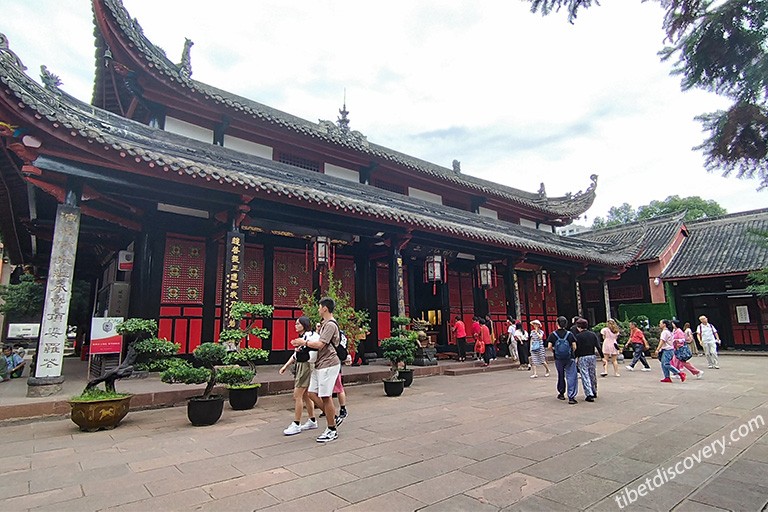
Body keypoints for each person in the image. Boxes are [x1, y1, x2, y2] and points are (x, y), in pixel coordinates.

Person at [290, 297, 341, 443]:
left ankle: (332, 429)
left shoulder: (331, 324)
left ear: (325, 308)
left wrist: (304, 342)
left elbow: (320, 345)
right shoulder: (324, 324)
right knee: (312, 393)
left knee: (325, 397)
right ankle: (333, 417)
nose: (318, 309)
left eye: (319, 307)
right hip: (320, 364)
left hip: (329, 363)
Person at [280, 316, 320, 436]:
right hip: (302, 365)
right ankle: (312, 420)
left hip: (306, 365)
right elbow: (295, 355)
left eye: (298, 324)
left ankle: (296, 423)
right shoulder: (303, 337)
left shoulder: (310, 336)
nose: (295, 326)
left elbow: (315, 348)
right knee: (306, 395)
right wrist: (285, 366)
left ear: (304, 325)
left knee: (297, 395)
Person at [547, 316, 578, 404]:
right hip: (569, 358)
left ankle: (561, 393)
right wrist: (571, 352)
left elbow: (549, 346)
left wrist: (554, 351)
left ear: (557, 324)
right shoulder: (570, 334)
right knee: (571, 376)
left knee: (561, 375)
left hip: (558, 358)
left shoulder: (553, 334)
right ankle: (571, 396)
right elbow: (574, 346)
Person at [574, 318, 603, 402]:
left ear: (578, 327)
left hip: (583, 357)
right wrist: (602, 357)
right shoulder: (592, 334)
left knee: (585, 375)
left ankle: (589, 394)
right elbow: (598, 346)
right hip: (592, 356)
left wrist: (575, 357)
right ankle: (594, 391)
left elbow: (577, 349)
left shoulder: (578, 336)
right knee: (592, 374)